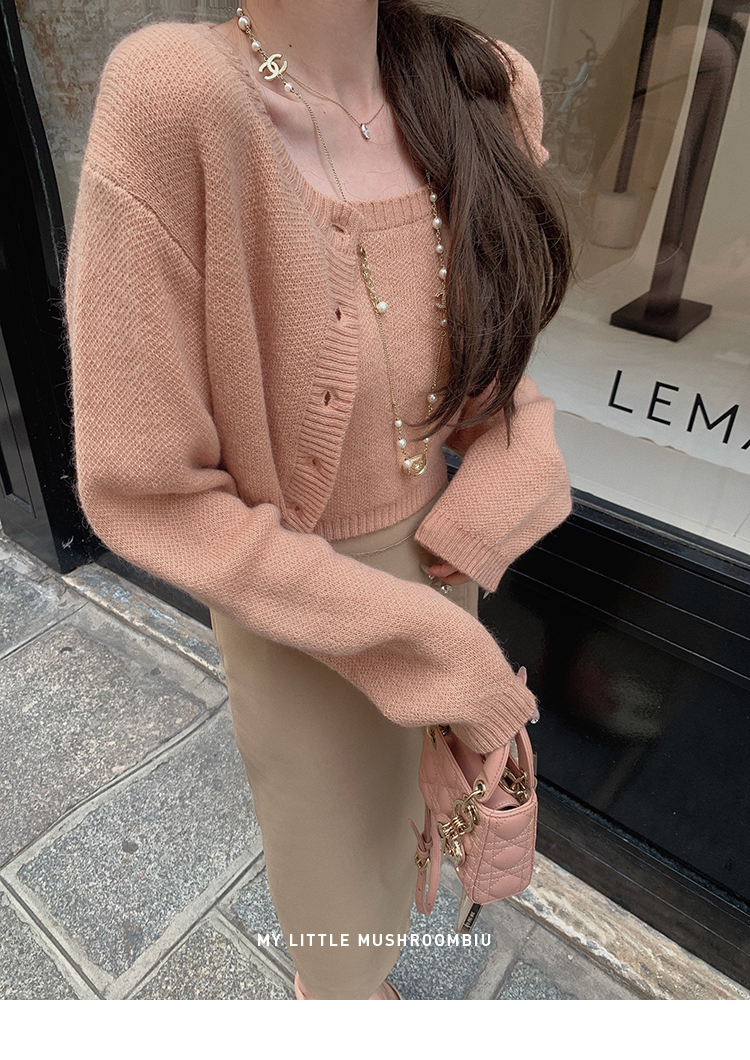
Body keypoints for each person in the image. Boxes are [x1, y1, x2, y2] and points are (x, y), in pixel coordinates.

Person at [64, 0, 573, 1000]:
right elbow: (149, 492)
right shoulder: (178, 100)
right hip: (295, 612)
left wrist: (481, 524)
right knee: (335, 902)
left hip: (442, 572)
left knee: (411, 841)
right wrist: (440, 650)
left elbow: (493, 381)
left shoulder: (482, 85)